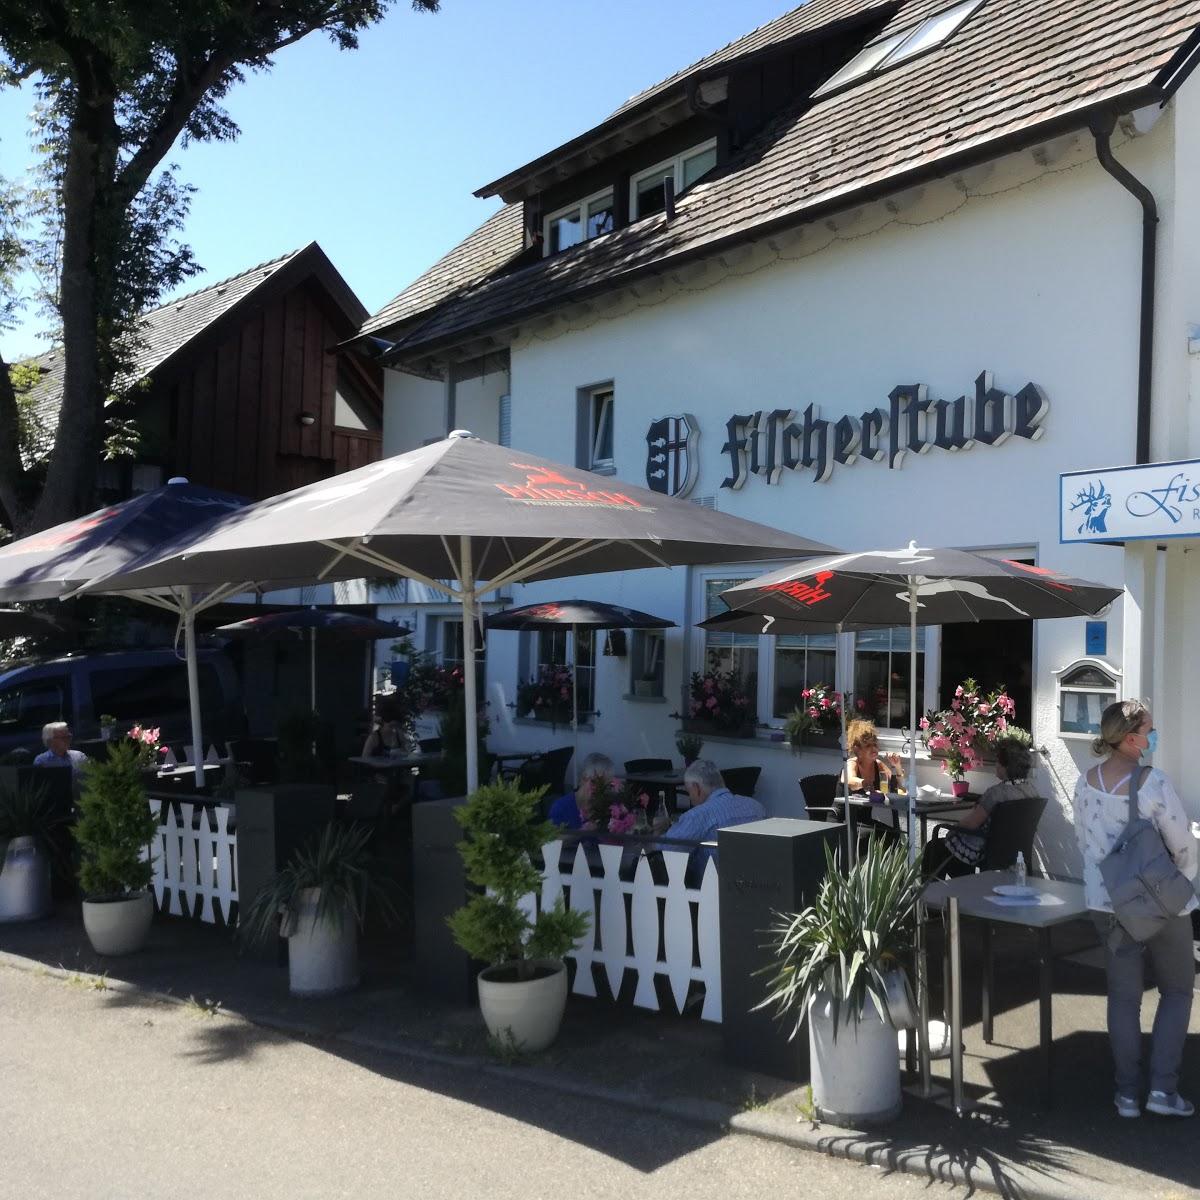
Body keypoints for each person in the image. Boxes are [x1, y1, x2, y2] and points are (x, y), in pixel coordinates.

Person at [1073, 699, 1197, 1120]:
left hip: (1106, 904)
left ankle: (1126, 1095)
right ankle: (1162, 1091)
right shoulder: (1151, 782)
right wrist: (1182, 878)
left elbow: (1085, 845)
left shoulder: (1084, 781)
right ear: (1131, 738)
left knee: (1123, 998)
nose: (1153, 736)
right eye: (1150, 729)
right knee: (1177, 990)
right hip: (1159, 904)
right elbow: (1182, 845)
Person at [923, 736, 1039, 879]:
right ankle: (963, 890)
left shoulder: (996, 794)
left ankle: (930, 895)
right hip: (1014, 851)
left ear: (1006, 765)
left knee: (935, 847)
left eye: (998, 761)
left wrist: (951, 830)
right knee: (952, 848)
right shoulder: (1032, 792)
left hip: (987, 852)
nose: (996, 765)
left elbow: (971, 824)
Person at [658, 758, 765, 866]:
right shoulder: (756, 807)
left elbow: (667, 850)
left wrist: (660, 832)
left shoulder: (698, 815)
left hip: (712, 881)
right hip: (753, 879)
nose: (690, 798)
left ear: (697, 788)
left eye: (689, 792)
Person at [548, 752, 614, 830]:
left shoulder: (609, 808)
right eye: (594, 782)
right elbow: (553, 840)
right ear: (583, 779)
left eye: (604, 785)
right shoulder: (561, 808)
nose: (598, 789)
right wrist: (582, 831)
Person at [843, 718, 902, 794]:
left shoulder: (878, 764)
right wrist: (864, 783)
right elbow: (850, 781)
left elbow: (897, 786)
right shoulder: (851, 763)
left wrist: (897, 766)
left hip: (872, 806)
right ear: (857, 749)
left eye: (874, 744)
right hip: (847, 805)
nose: (874, 748)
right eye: (868, 745)